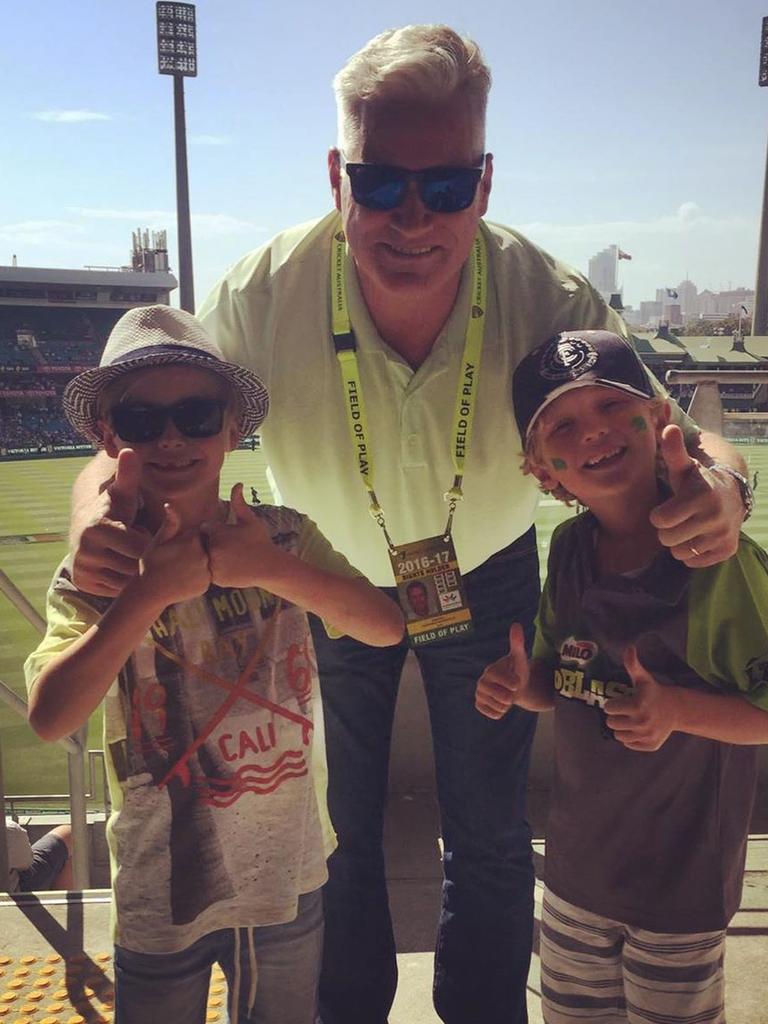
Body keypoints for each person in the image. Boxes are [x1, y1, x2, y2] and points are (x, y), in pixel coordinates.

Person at [66, 26, 752, 1024]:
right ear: (339, 175)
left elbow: (687, 439)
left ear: (485, 181)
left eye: (448, 183)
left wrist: (729, 494)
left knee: (486, 830)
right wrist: (99, 517)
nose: (415, 215)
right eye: (384, 185)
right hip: (325, 582)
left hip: (489, 573)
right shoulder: (263, 292)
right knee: (334, 835)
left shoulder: (545, 292)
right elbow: (132, 420)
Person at [25, 305, 403, 1024]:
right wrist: (149, 594)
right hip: (159, 880)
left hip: (286, 869)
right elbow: (52, 715)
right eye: (141, 420)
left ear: (233, 429)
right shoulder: (99, 573)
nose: (171, 436)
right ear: (110, 438)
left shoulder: (285, 538)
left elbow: (385, 629)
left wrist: (269, 568)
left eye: (197, 415)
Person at [476, 329, 768, 1024]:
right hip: (577, 873)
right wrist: (521, 686)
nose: (594, 432)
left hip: (678, 884)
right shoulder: (572, 548)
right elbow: (560, 683)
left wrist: (676, 711)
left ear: (664, 421)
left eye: (613, 405)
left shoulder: (714, 561)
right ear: (543, 471)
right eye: (564, 425)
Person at [5, 819, 73, 892]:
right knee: (68, 833)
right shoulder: (9, 829)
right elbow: (26, 863)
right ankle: (61, 901)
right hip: (13, 891)